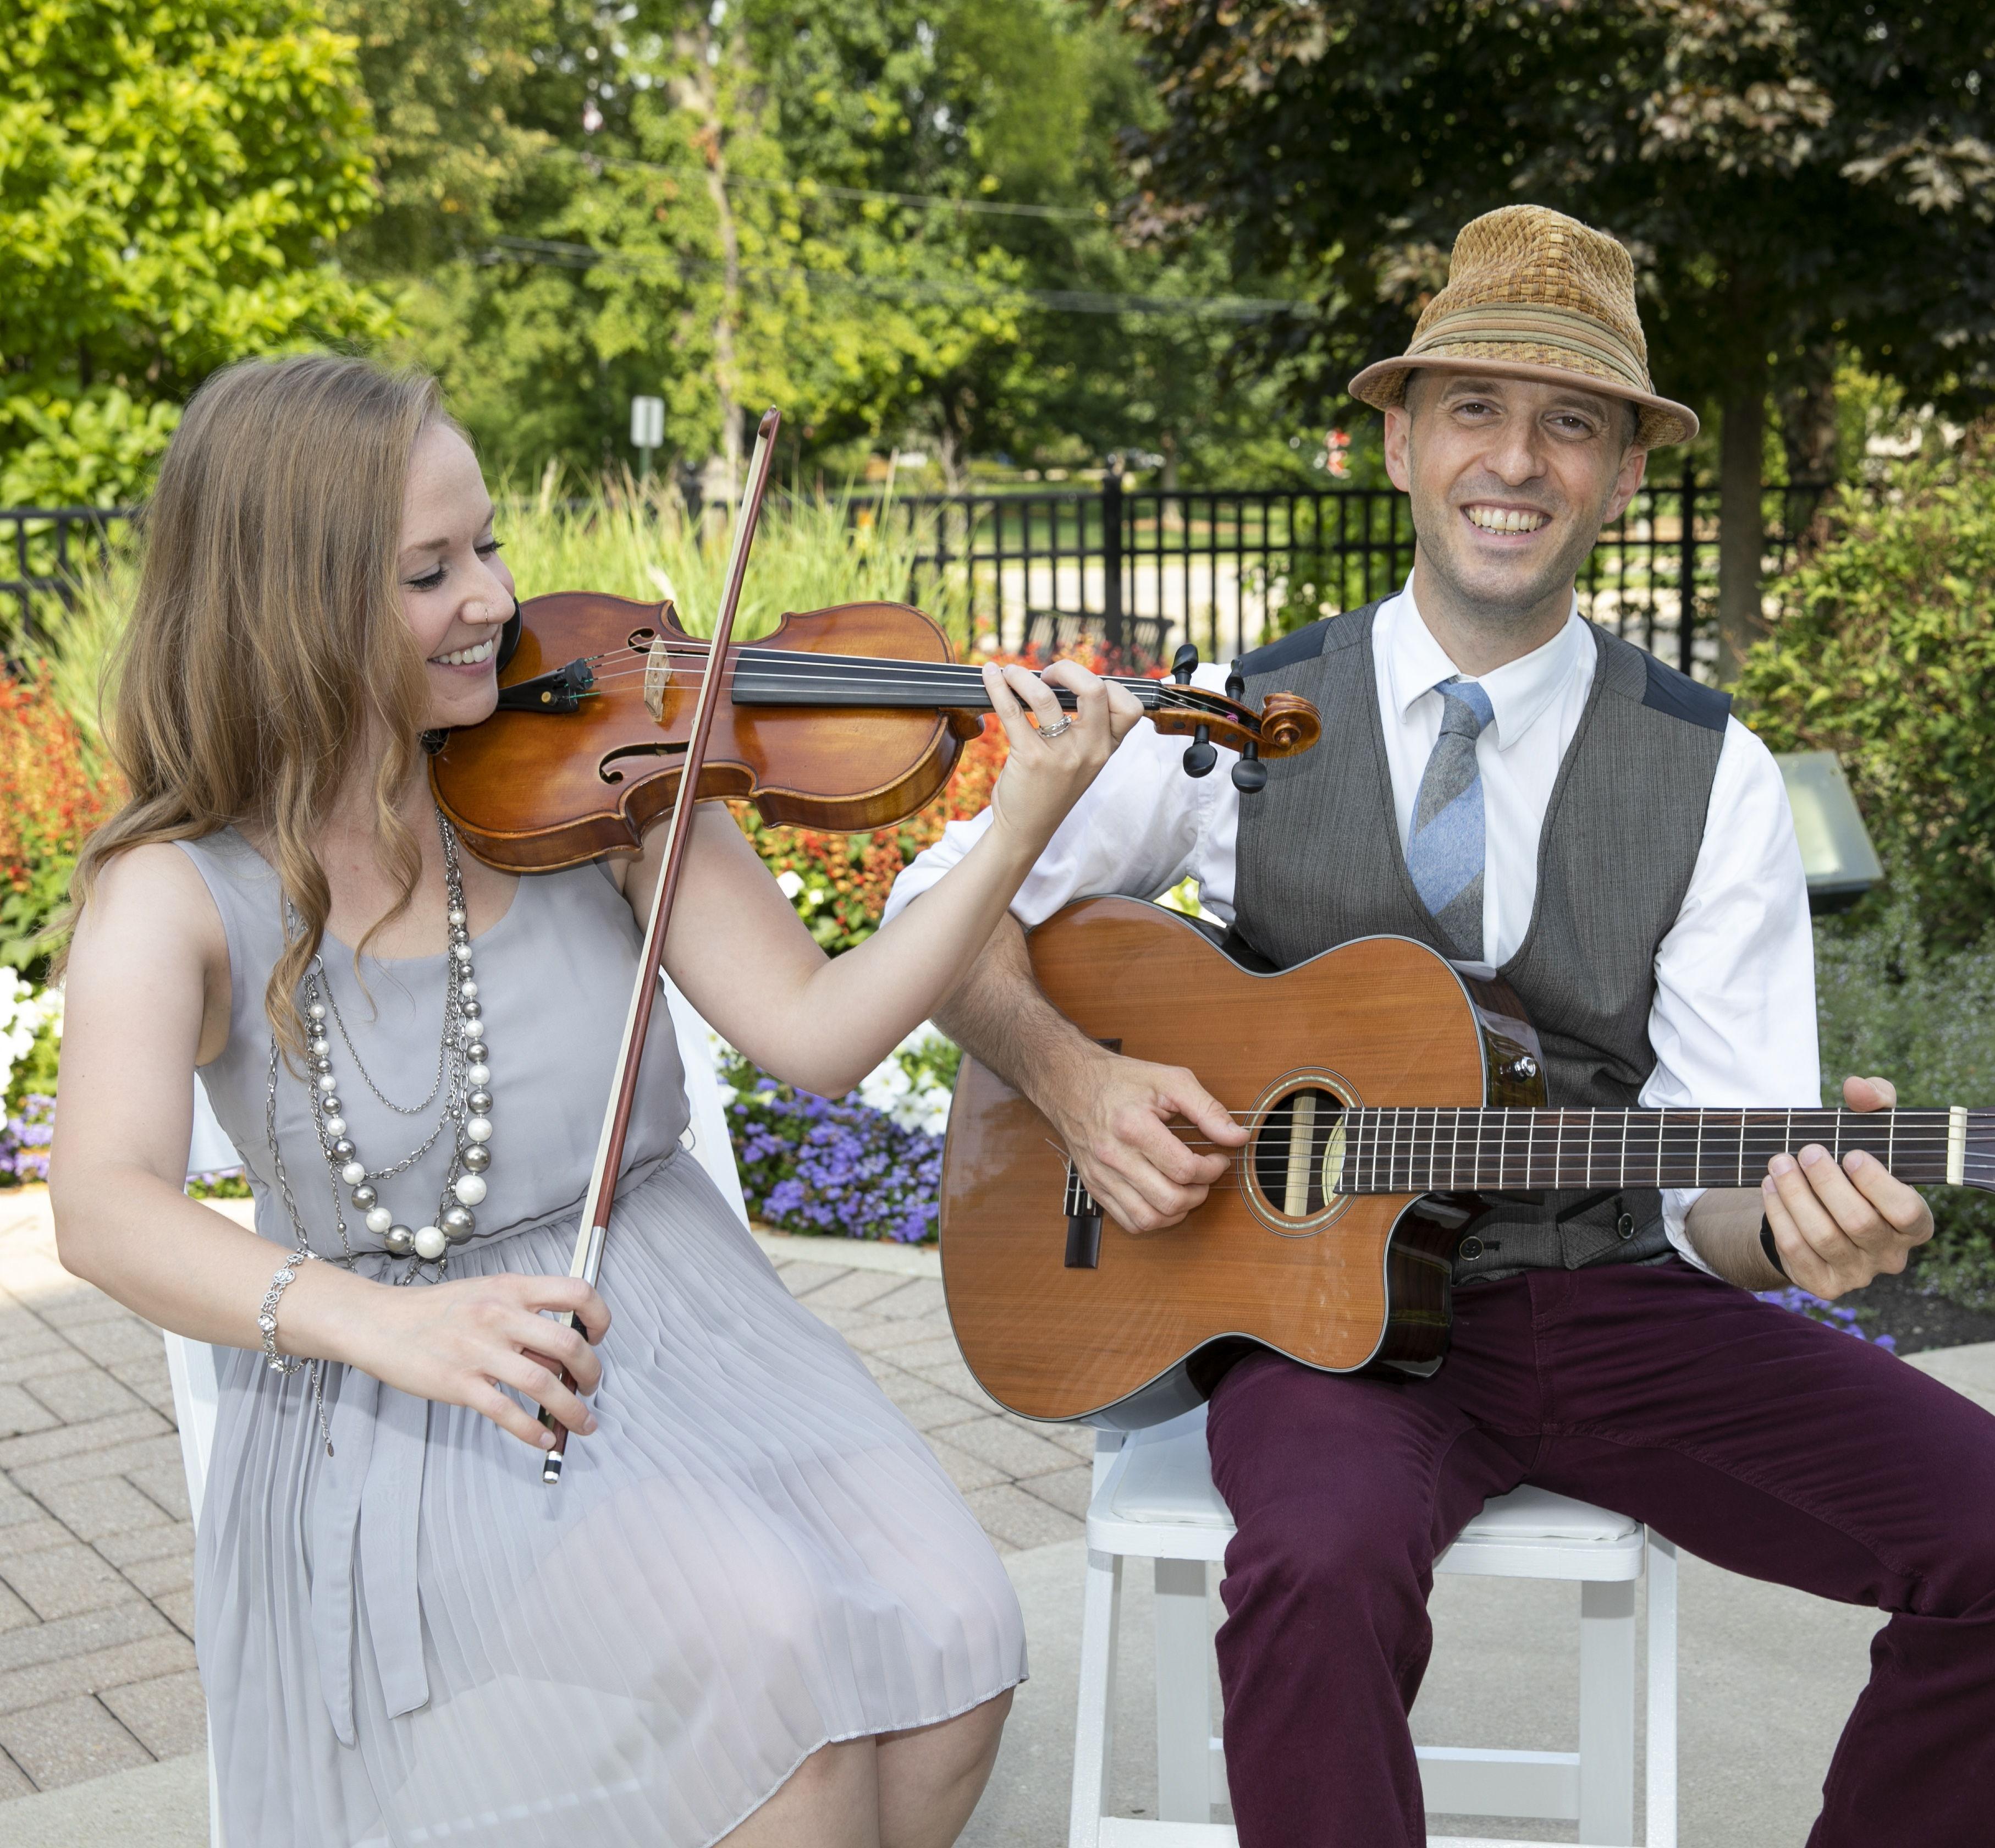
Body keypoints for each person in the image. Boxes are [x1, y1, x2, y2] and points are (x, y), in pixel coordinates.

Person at [888, 206, 1995, 1845]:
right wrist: (1071, 1080)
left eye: (1572, 423)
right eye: (1474, 407)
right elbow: (935, 911)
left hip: (1614, 1305)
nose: (1516, 461)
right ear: (1399, 442)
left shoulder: (1713, 773)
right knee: (1315, 1564)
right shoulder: (1236, 717)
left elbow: (1720, 1189)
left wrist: (1797, 1232)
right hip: (1318, 1327)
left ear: (1627, 473)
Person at [48, 353, 1146, 1848]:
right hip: (409, 1392)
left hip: (677, 1309)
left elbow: (818, 1033)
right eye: (430, 571)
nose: (495, 600)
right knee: (784, 1687)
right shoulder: (175, 890)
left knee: (956, 1646)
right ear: (286, 600)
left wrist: (1018, 826)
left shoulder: (594, 781)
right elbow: (102, 1206)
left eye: (487, 545)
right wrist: (388, 1326)